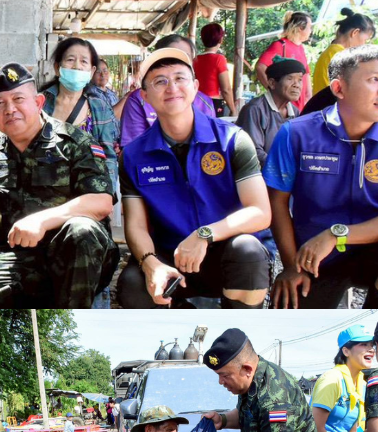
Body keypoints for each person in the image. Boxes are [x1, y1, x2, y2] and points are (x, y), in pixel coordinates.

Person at [0, 62, 118, 312]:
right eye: (0, 103)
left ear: (38, 103)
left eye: (18, 99)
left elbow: (101, 202)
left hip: (78, 257)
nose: (10, 109)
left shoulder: (74, 142)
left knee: (82, 230)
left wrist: (41, 221)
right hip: (22, 256)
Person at [116, 46, 272, 309]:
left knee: (249, 251)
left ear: (196, 86)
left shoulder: (232, 139)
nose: (172, 87)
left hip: (226, 251)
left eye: (180, 78)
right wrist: (151, 263)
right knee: (132, 282)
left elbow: (259, 212)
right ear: (144, 96)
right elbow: (136, 226)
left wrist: (205, 234)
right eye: (160, 81)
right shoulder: (133, 155)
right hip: (172, 256)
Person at [266, 46, 378, 312]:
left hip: (377, 251)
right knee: (289, 315)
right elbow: (277, 203)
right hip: (313, 258)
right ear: (339, 88)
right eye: (374, 80)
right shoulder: (296, 134)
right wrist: (291, 266)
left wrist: (338, 235)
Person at [41, 37, 121, 194]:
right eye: (70, 60)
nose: (77, 66)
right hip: (44, 193)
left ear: (91, 72)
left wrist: (106, 195)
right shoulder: (40, 103)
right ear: (57, 68)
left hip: (87, 194)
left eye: (84, 61)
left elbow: (108, 156)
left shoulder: (99, 107)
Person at [120, 35, 218, 147]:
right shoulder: (137, 100)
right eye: (169, 58)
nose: (172, 89)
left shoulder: (230, 138)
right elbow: (133, 150)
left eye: (184, 57)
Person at [236, 57, 303, 166]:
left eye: (300, 80)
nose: (297, 85)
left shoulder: (295, 112)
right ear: (272, 83)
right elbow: (253, 151)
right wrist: (284, 168)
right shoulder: (255, 109)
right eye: (290, 79)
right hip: (259, 176)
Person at [256, 11, 313, 111]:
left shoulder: (301, 48)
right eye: (309, 27)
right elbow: (260, 67)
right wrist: (273, 92)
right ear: (300, 28)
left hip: (299, 109)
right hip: (283, 109)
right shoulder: (281, 45)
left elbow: (306, 77)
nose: (310, 31)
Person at [311, 9, 376, 95]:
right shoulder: (341, 56)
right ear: (355, 32)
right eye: (365, 40)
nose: (364, 45)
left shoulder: (332, 52)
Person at [194, 22, 237, 117]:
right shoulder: (219, 59)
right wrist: (233, 109)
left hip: (196, 102)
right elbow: (226, 89)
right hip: (213, 103)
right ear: (221, 40)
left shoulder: (195, 60)